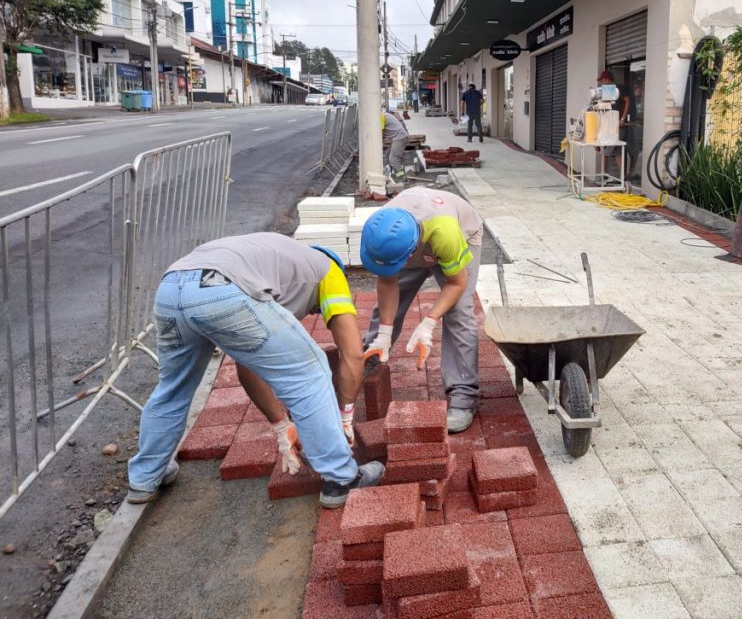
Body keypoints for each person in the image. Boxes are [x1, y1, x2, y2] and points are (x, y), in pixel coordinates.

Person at [126, 232, 384, 509]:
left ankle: (145, 478)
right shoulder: (328, 271)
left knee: (173, 388)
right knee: (309, 370)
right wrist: (345, 418)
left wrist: (281, 425)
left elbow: (248, 363)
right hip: (222, 289)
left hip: (171, 288)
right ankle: (341, 477)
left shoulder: (273, 263)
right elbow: (352, 354)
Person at [360, 188, 483, 433]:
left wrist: (428, 321)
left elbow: (456, 284)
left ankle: (464, 395)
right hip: (409, 243)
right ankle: (367, 361)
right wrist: (384, 333)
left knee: (459, 312)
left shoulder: (445, 233)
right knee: (385, 312)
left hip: (460, 234)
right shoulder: (380, 232)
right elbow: (387, 280)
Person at [382, 110, 410, 180]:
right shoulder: (382, 115)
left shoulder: (380, 117)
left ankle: (402, 177)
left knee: (393, 159)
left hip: (399, 137)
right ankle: (389, 175)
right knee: (386, 157)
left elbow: (381, 134)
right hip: (397, 137)